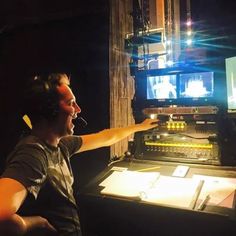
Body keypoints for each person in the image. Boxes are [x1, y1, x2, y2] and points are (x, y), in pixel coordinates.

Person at [0, 73, 158, 235]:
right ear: (50, 111)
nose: (78, 110)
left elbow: (105, 137)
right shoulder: (33, 154)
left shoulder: (61, 144)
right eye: (71, 103)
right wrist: (34, 223)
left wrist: (139, 127)